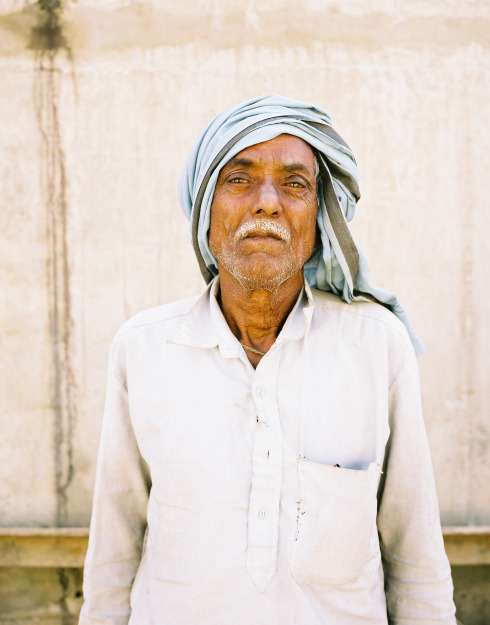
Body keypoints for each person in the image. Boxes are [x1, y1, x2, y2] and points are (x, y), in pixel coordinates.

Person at [79, 95, 456, 624]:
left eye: (295, 184)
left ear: (320, 216)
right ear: (205, 207)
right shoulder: (143, 349)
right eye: (239, 178)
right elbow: (112, 561)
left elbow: (416, 564)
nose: (267, 203)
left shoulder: (377, 347)